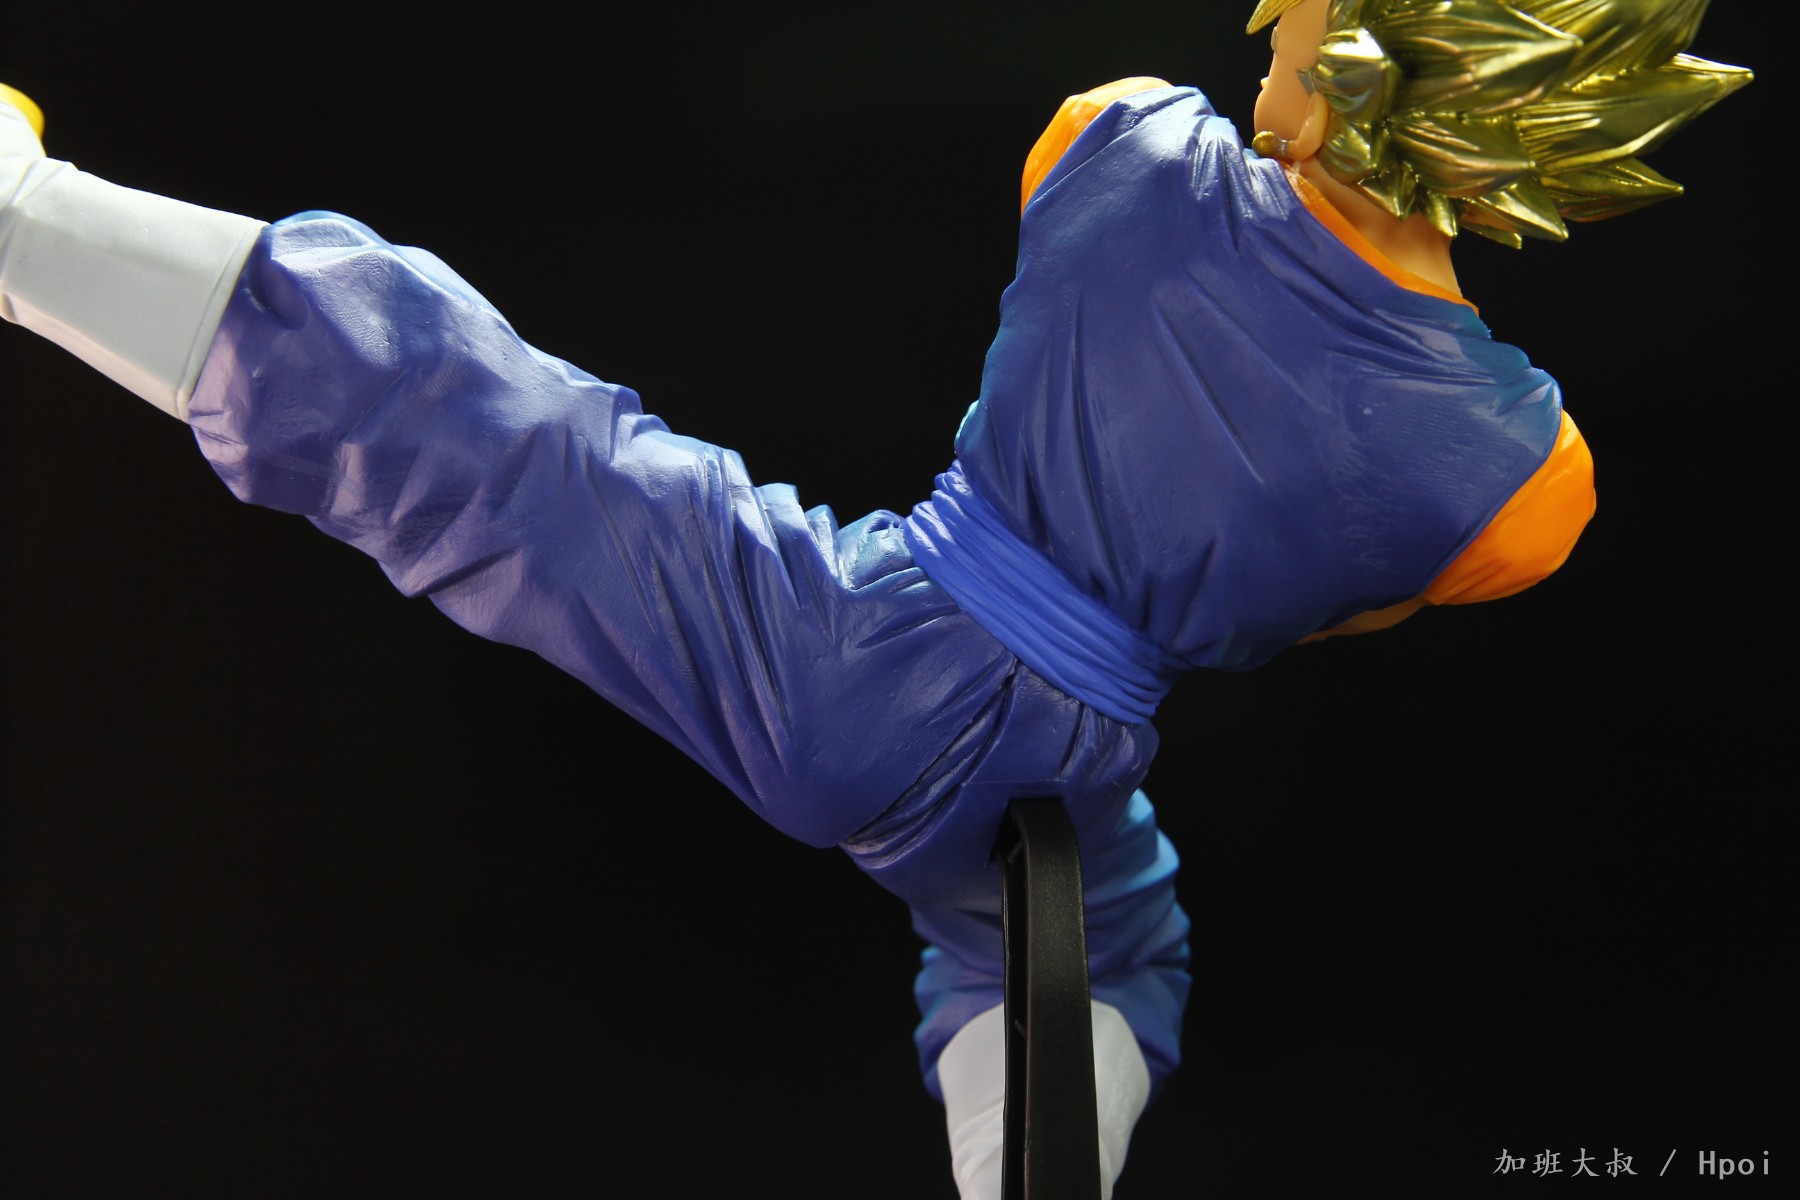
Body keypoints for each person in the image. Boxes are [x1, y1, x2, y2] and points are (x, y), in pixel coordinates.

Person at [0, 2, 1749, 1195]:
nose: (1263, 30)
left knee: (491, 438)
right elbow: (1346, 605)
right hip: (1063, 764)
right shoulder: (1523, 474)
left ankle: (24, 216)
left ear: (1375, 49)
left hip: (859, 643)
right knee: (1113, 952)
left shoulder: (1126, 141)